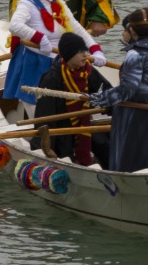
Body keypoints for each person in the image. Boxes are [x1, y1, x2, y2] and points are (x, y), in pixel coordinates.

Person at [4, 0, 103, 118]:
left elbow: (76, 28)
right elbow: (14, 25)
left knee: (61, 105)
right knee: (37, 108)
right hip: (35, 61)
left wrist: (95, 49)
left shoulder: (59, 3)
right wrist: (40, 38)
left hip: (58, 61)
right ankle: (39, 133)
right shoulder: (27, 3)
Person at [88, 6, 148, 173]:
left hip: (139, 107)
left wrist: (100, 98)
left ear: (132, 30)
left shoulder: (135, 54)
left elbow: (127, 89)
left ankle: (129, 175)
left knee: (134, 150)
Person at [31, 32, 111, 165]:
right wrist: (46, 148)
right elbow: (44, 117)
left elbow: (108, 91)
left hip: (84, 124)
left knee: (105, 145)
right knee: (66, 156)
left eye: (86, 50)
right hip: (61, 130)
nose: (86, 55)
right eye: (80, 52)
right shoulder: (51, 79)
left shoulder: (88, 72)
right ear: (68, 54)